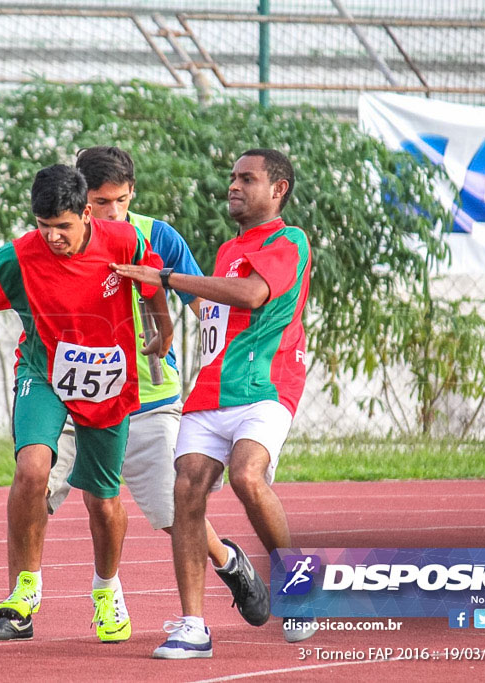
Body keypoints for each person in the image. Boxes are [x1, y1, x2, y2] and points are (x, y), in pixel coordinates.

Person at [0, 164, 173, 642]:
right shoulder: (20, 256)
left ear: (86, 213)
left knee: (102, 501)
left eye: (63, 227)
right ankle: (23, 593)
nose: (53, 238)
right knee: (32, 470)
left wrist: (161, 330)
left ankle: (106, 592)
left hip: (107, 382)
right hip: (43, 374)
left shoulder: (123, 240)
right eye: (44, 227)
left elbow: (150, 285)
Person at [46, 146, 272, 638]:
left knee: (175, 514)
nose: (113, 213)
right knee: (79, 497)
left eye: (122, 201)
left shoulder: (156, 236)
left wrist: (235, 370)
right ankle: (99, 594)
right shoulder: (59, 238)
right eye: (102, 203)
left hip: (150, 397)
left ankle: (230, 561)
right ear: (81, 198)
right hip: (79, 397)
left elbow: (201, 304)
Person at [112, 148, 313, 658]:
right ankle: (193, 626)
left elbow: (248, 295)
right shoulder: (228, 249)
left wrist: (164, 279)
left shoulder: (290, 240)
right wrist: (165, 326)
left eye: (248, 178)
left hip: (266, 388)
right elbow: (216, 311)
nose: (235, 186)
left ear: (278, 189)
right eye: (232, 177)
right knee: (186, 494)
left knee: (248, 475)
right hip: (211, 389)